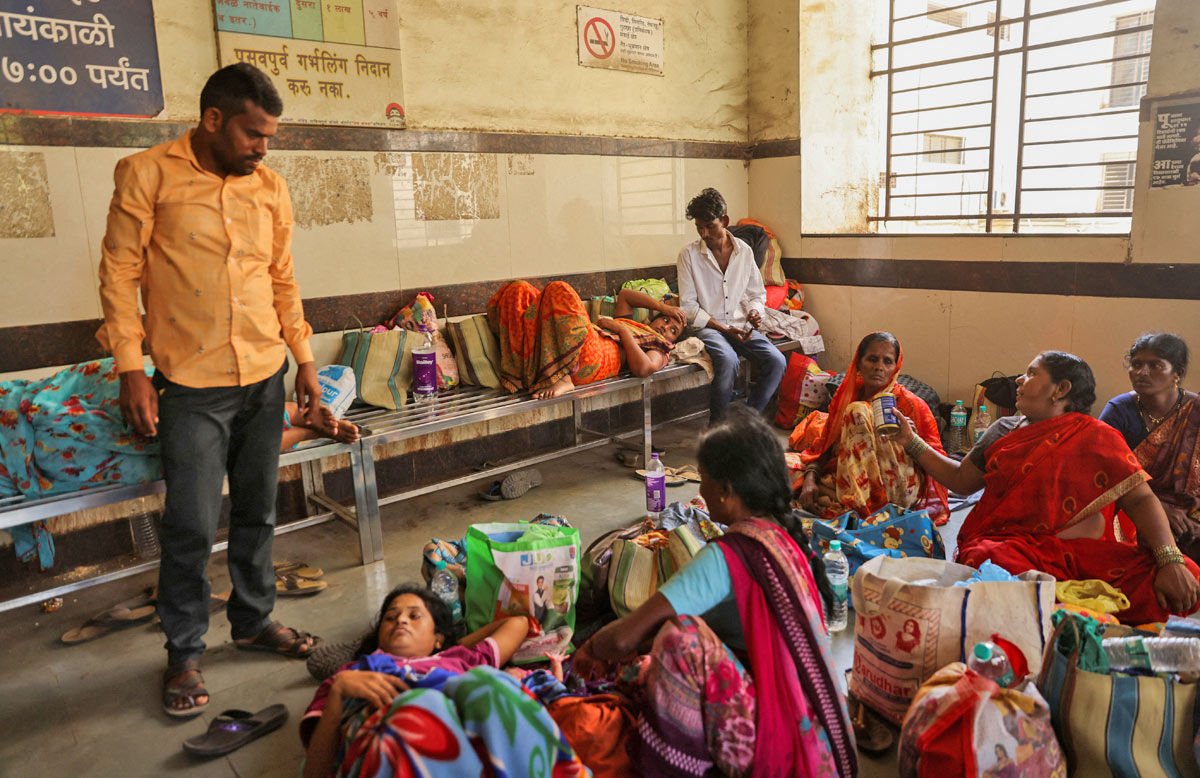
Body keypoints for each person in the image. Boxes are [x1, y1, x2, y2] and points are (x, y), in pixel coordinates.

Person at [97, 63, 322, 717]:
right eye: (254, 133)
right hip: (190, 384)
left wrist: (303, 359)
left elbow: (282, 277)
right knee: (192, 524)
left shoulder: (271, 188)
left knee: (258, 511)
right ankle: (184, 651)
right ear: (215, 120)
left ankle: (252, 623)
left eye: (270, 136)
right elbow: (119, 274)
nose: (263, 147)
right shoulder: (146, 174)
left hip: (264, 375)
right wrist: (130, 368)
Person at [573, 406, 857, 777]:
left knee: (680, 639)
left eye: (703, 478)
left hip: (779, 747)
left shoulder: (725, 558)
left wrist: (587, 651)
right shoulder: (789, 541)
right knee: (662, 642)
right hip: (823, 738)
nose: (699, 489)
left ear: (727, 491)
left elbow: (624, 639)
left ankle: (677, 767)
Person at [892, 350, 1200, 625]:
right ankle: (1078, 611)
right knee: (985, 558)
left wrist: (1169, 560)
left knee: (1186, 572)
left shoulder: (1097, 436)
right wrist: (912, 442)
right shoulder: (1003, 430)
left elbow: (1141, 500)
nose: (1019, 381)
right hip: (1015, 548)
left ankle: (1049, 606)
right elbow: (961, 480)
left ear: (1061, 389)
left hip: (1082, 559)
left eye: (1032, 372)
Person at [300, 585, 561, 778]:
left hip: (471, 755)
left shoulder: (459, 660)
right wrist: (337, 694)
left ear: (437, 636)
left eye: (414, 616)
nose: (401, 619)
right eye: (390, 618)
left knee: (492, 684)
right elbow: (315, 772)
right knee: (424, 703)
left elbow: (518, 623)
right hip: (390, 750)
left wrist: (444, 651)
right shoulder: (349, 674)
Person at [796, 332, 950, 524]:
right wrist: (809, 481)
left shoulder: (910, 404)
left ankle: (860, 508)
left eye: (887, 361)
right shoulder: (847, 397)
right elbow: (823, 448)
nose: (879, 367)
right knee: (782, 465)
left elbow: (940, 467)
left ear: (896, 367)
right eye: (872, 359)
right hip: (854, 479)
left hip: (899, 488)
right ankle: (850, 499)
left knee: (858, 411)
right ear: (859, 363)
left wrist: (911, 440)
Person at [677, 188, 786, 422]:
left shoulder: (744, 252)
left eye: (710, 226)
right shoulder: (688, 255)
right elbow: (688, 308)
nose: (704, 233)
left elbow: (757, 293)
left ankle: (746, 421)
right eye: (699, 227)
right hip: (707, 327)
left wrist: (756, 312)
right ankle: (717, 429)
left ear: (724, 221)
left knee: (776, 361)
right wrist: (724, 330)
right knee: (728, 360)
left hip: (739, 324)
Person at [487, 279, 685, 399]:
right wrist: (664, 307)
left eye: (673, 330)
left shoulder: (660, 347)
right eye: (666, 320)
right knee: (518, 290)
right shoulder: (635, 325)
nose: (665, 327)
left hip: (598, 359)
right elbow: (625, 295)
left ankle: (564, 378)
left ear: (673, 341)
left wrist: (621, 331)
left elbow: (644, 369)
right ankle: (520, 373)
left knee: (559, 290)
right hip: (575, 345)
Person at [1100, 334, 1200, 562]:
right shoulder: (1119, 411)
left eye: (1155, 365)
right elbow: (1103, 474)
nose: (1142, 372)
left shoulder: (1195, 412)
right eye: (1136, 364)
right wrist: (1157, 509)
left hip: (1191, 513)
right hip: (1131, 507)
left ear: (1178, 374)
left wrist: (1193, 519)